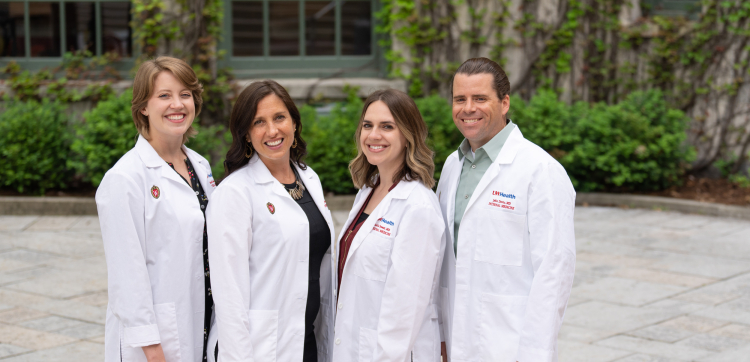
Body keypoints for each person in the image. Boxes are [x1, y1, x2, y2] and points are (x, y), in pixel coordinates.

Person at [436, 57, 576, 362]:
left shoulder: (540, 171)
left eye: (480, 98)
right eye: (460, 99)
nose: (468, 108)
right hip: (454, 337)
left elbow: (554, 271)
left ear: (505, 103)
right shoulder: (451, 166)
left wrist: (535, 353)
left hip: (509, 343)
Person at [96, 56, 218, 362]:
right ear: (143, 107)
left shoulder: (199, 166)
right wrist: (153, 352)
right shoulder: (125, 179)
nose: (177, 104)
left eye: (185, 94)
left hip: (204, 322)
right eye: (164, 95)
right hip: (158, 342)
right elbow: (127, 278)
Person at [206, 80, 335, 362]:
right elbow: (228, 293)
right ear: (246, 135)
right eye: (259, 122)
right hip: (260, 347)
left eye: (279, 117)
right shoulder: (234, 193)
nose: (273, 131)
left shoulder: (309, 177)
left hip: (306, 339)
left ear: (295, 123)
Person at [333, 89, 446, 362]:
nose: (374, 135)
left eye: (387, 127)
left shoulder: (417, 206)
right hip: (354, 346)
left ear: (408, 136)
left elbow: (405, 308)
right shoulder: (368, 191)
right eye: (367, 125)